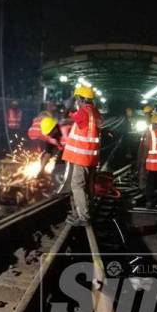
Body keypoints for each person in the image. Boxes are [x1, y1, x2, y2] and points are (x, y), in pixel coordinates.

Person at [62, 86, 101, 226]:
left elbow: (67, 114)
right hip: (91, 157)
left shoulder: (83, 112)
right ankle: (84, 211)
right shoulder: (95, 112)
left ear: (80, 99)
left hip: (82, 157)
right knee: (88, 185)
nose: (76, 100)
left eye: (77, 98)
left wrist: (69, 104)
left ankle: (83, 216)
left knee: (77, 185)